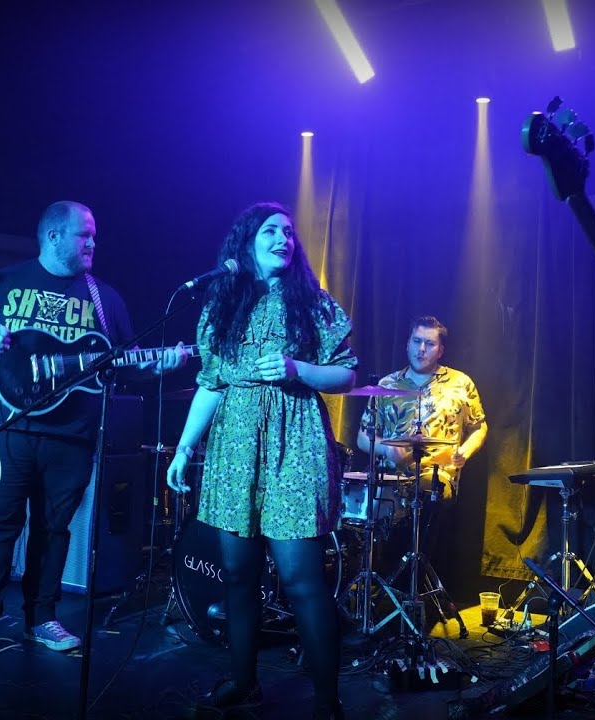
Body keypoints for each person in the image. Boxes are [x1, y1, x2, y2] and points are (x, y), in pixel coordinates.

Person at [0, 201, 188, 669]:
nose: (93, 243)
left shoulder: (106, 299)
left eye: (94, 235)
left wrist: (158, 365)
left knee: (54, 531)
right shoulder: (2, 282)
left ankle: (42, 619)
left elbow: (121, 364)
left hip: (72, 436)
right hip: (8, 428)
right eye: (83, 234)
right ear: (52, 236)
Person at [166, 202, 356, 720]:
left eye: (289, 232)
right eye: (271, 230)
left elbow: (346, 375)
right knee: (237, 574)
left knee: (301, 579)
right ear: (246, 242)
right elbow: (211, 383)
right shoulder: (221, 304)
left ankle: (327, 702)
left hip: (295, 443)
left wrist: (298, 369)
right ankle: (244, 681)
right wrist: (184, 448)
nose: (283, 238)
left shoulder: (313, 303)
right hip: (234, 447)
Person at [355, 316, 487, 575]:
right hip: (390, 477)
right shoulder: (387, 385)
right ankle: (382, 580)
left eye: (429, 343)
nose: (421, 349)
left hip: (436, 476)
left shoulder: (460, 383)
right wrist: (386, 449)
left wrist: (465, 451)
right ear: (407, 344)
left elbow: (479, 426)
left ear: (441, 350)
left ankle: (413, 582)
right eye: (417, 341)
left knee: (422, 494)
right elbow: (362, 437)